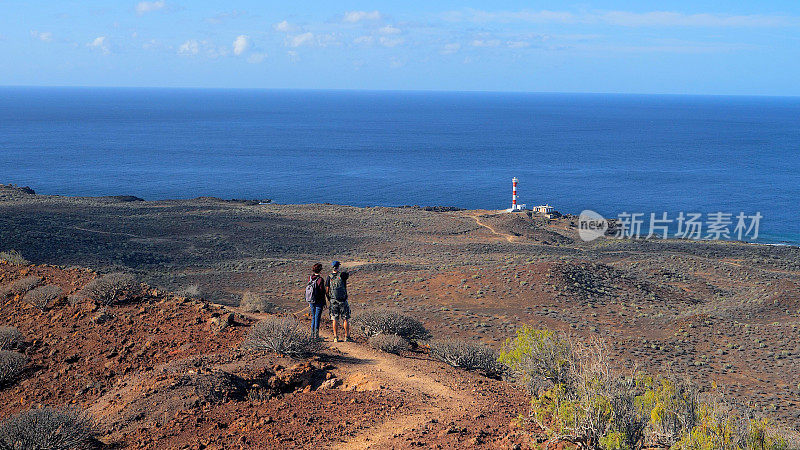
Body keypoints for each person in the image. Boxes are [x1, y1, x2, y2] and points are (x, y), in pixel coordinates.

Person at [326, 260, 351, 342]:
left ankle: (336, 337)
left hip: (333, 301)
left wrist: (329, 298)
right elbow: (347, 275)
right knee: (345, 318)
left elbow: (327, 289)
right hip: (343, 300)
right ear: (338, 266)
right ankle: (347, 336)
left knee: (334, 319)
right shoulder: (342, 275)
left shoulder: (329, 277)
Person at [306, 263, 326, 340]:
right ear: (320, 270)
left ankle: (312, 335)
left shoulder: (310, 278)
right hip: (318, 301)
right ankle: (316, 336)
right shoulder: (320, 279)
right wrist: (324, 302)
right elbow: (322, 292)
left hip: (311, 300)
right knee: (317, 317)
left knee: (313, 317)